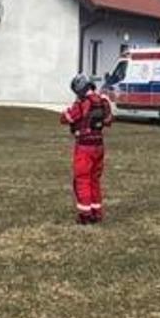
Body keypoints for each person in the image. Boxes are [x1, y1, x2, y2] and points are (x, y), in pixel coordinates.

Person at [59, 74, 111, 225]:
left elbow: (66, 118)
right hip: (99, 145)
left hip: (84, 146)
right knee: (95, 179)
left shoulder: (82, 103)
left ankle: (85, 214)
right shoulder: (103, 101)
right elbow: (108, 120)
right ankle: (97, 212)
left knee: (82, 180)